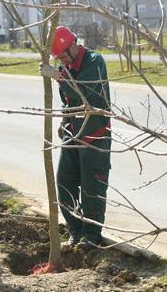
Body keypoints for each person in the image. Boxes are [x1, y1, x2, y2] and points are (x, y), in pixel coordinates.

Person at [39, 25, 112, 249]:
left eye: (63, 55)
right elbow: (69, 102)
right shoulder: (66, 66)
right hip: (73, 133)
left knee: (92, 187)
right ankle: (75, 229)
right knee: (64, 182)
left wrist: (60, 77)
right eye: (58, 57)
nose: (62, 60)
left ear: (73, 45)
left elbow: (85, 95)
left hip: (95, 135)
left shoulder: (94, 61)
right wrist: (63, 121)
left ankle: (92, 235)